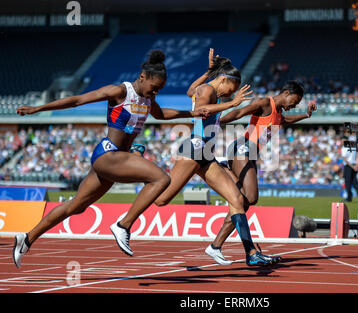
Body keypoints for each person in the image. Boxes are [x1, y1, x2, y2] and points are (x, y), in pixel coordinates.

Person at [12, 50, 209, 268]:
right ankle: (123, 225)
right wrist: (38, 109)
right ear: (143, 77)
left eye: (159, 89)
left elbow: (161, 115)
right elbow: (77, 100)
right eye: (155, 87)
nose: (156, 92)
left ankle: (27, 238)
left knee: (76, 205)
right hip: (109, 153)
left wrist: (191, 114)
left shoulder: (148, 98)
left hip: (116, 159)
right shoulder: (119, 91)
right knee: (161, 179)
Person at [154, 49, 279, 266]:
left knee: (238, 200)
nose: (234, 93)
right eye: (233, 88)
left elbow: (190, 91)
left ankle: (250, 254)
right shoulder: (208, 93)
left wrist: (208, 72)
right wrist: (232, 103)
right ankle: (142, 178)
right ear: (224, 80)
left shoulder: (209, 90)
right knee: (161, 199)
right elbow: (201, 107)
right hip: (194, 149)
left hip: (206, 154)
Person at [200, 80, 316, 265]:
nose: (295, 105)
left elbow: (285, 120)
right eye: (295, 100)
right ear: (286, 93)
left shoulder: (278, 113)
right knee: (251, 197)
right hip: (241, 149)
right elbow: (239, 112)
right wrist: (217, 120)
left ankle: (215, 246)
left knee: (242, 204)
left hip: (249, 154)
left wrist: (305, 115)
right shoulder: (264, 103)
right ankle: (222, 167)